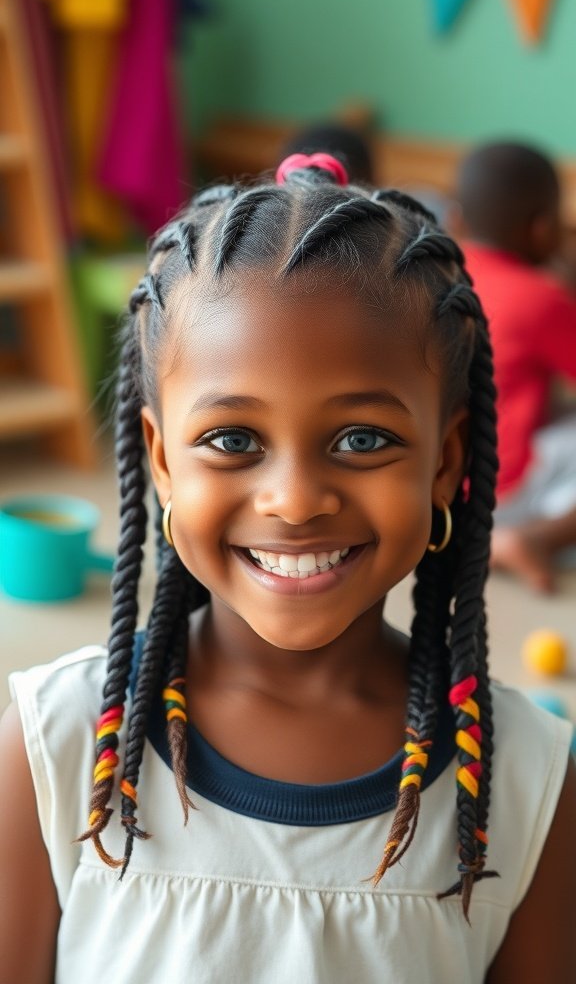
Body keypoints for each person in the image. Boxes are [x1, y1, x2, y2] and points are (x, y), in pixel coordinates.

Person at [1, 153, 575, 984]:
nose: (296, 501)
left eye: (362, 440)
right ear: (162, 462)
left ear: (447, 462)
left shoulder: (525, 780)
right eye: (233, 441)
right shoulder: (54, 746)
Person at [457, 141, 576, 592]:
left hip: (445, 478)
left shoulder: (444, 271)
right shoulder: (540, 297)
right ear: (542, 228)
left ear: (460, 218)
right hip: (500, 485)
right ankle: (534, 539)